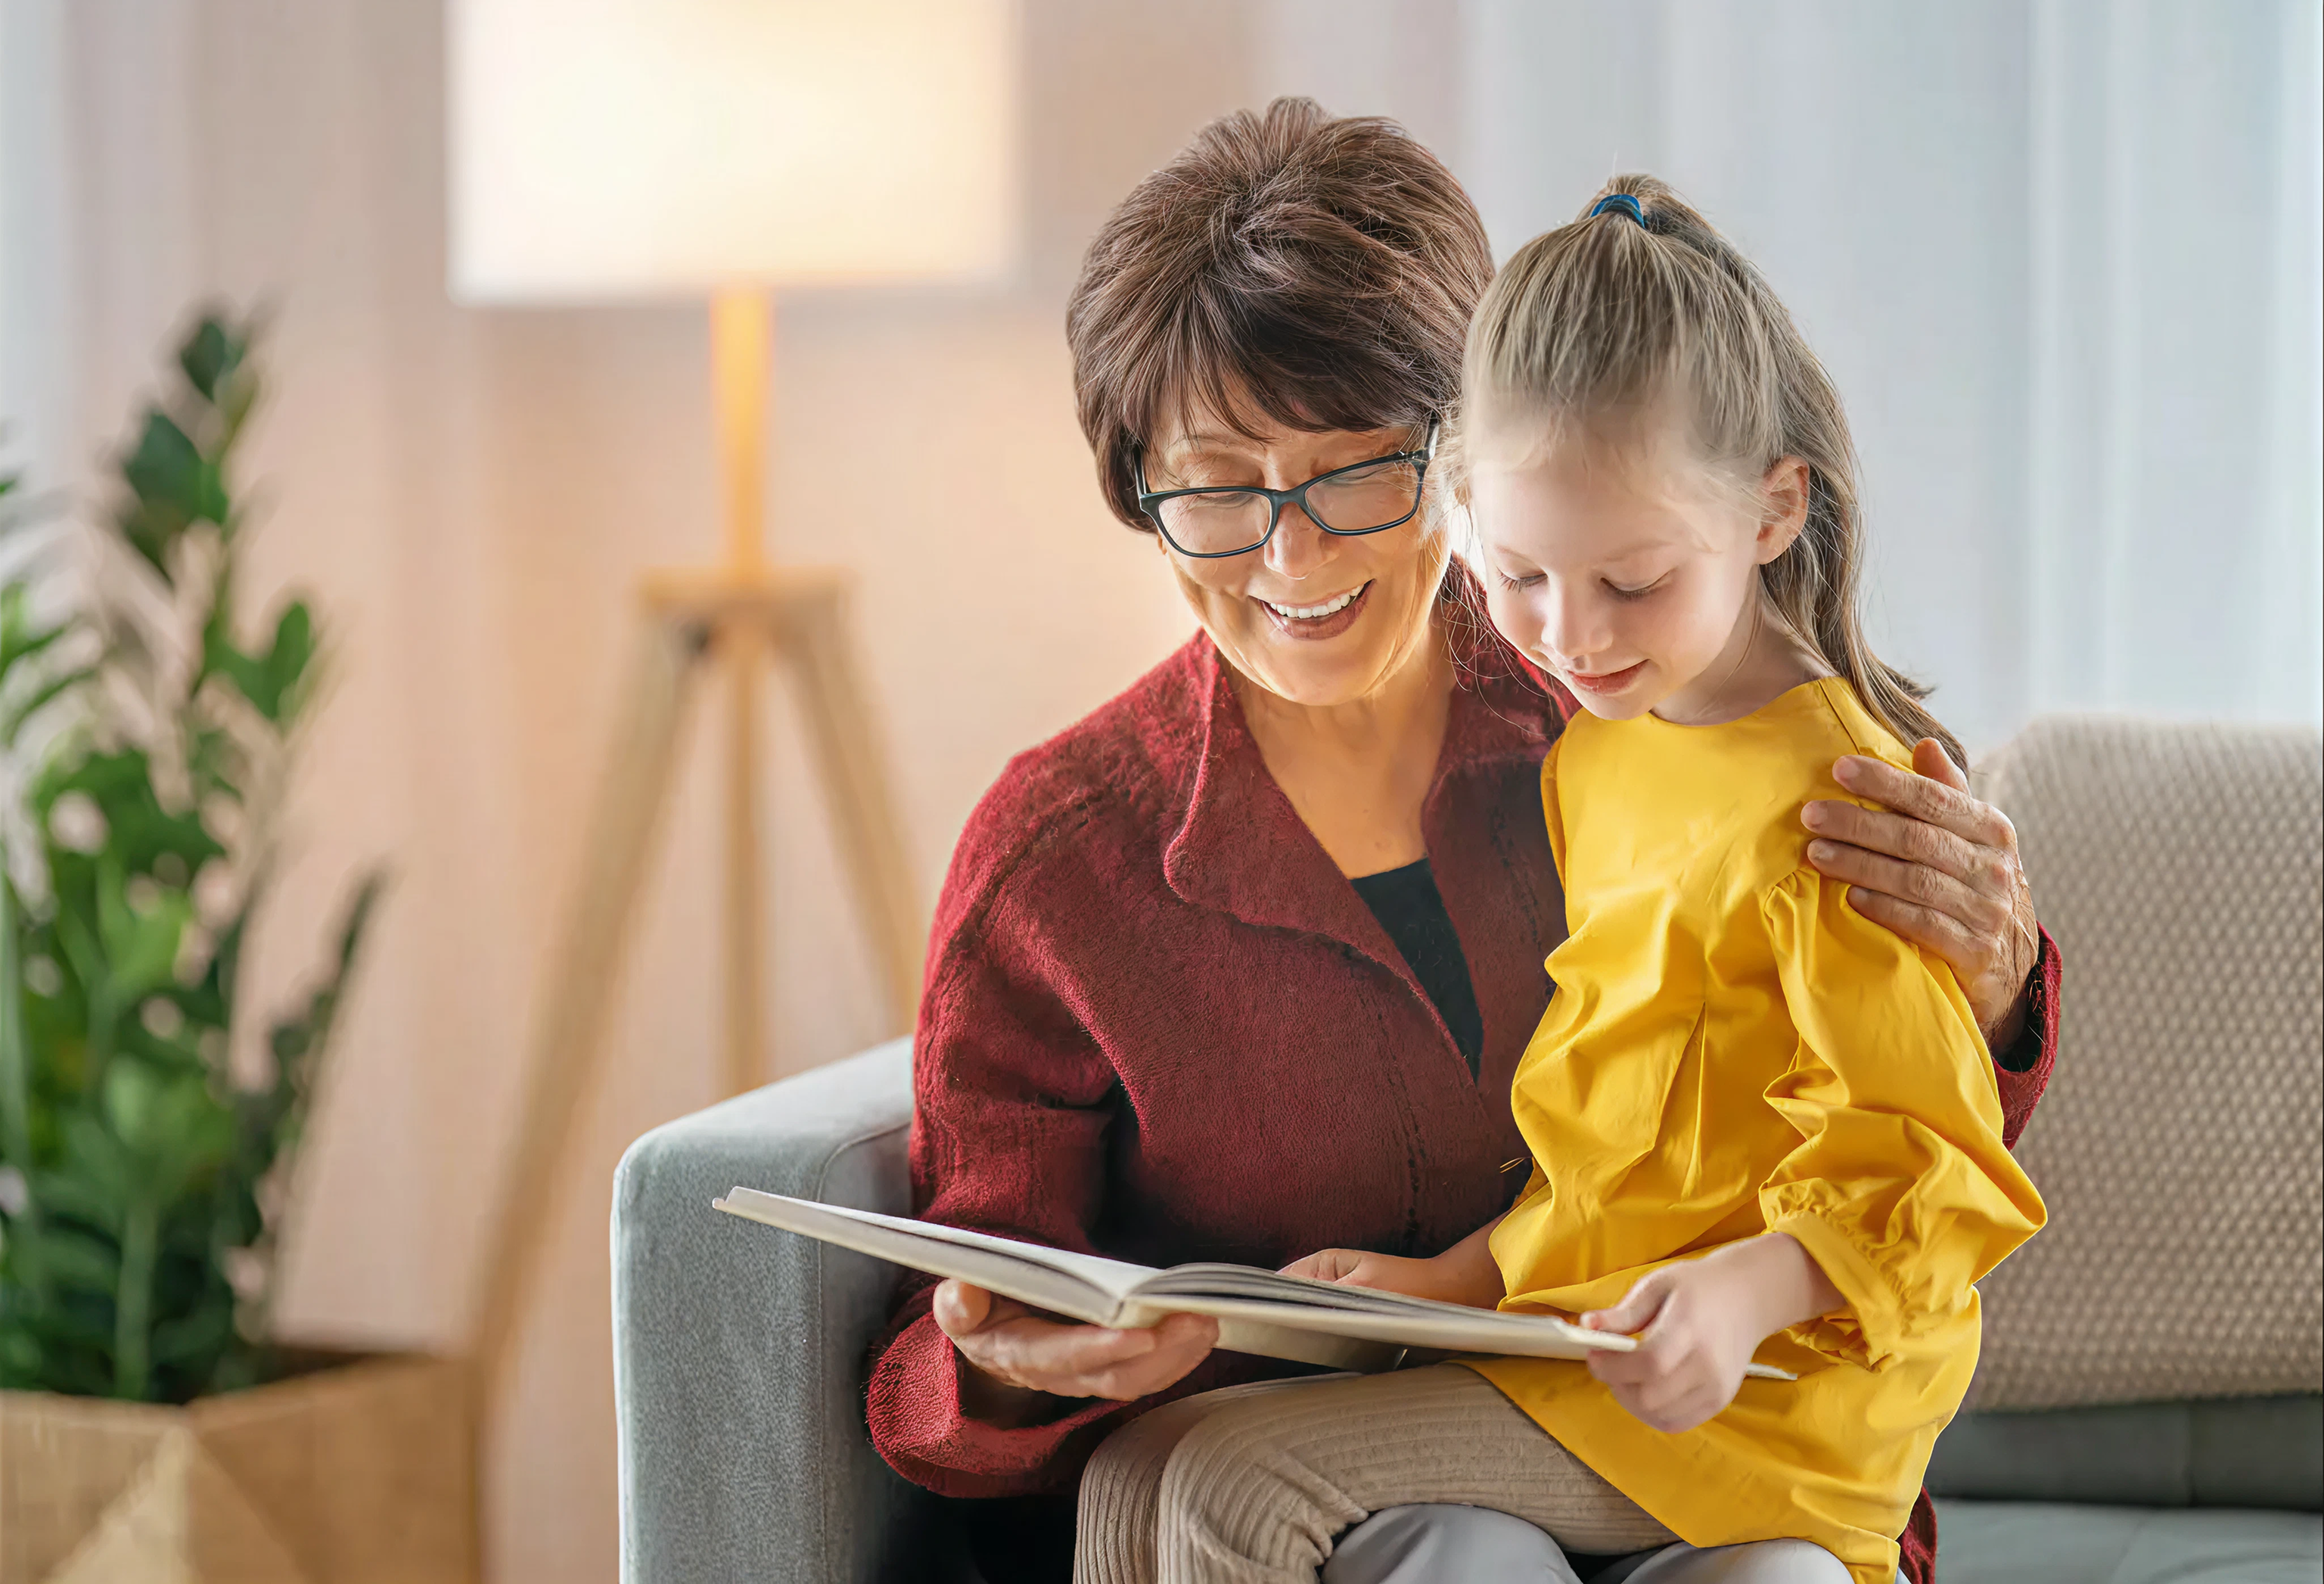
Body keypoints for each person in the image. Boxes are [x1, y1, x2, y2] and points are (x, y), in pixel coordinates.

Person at [865, 101, 2061, 1584]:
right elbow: (956, 1337)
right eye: (1221, 490)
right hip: (1406, 1476)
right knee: (1391, 1538)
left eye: (1355, 470)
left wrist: (1999, 989)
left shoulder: (1616, 713)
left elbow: (1886, 1127)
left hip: (1719, 1442)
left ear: (1459, 453)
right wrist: (1016, 1360)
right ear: (1142, 497)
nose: (1292, 555)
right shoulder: (1061, 863)